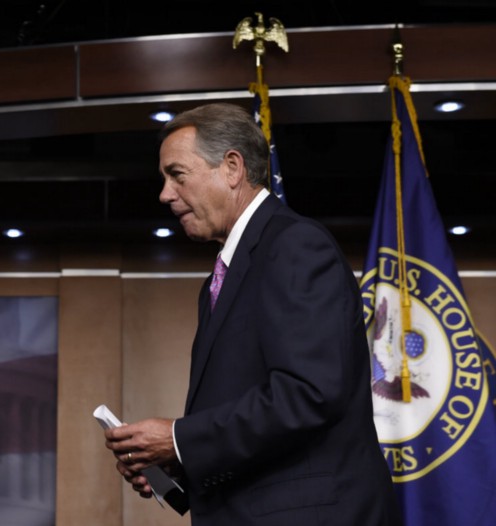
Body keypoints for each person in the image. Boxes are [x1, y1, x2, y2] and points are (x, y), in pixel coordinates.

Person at [104, 103, 402, 525]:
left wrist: (178, 438)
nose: (165, 194)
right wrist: (178, 462)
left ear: (232, 168)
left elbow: (308, 394)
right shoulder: (221, 279)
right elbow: (251, 417)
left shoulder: (296, 245)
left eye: (177, 174)